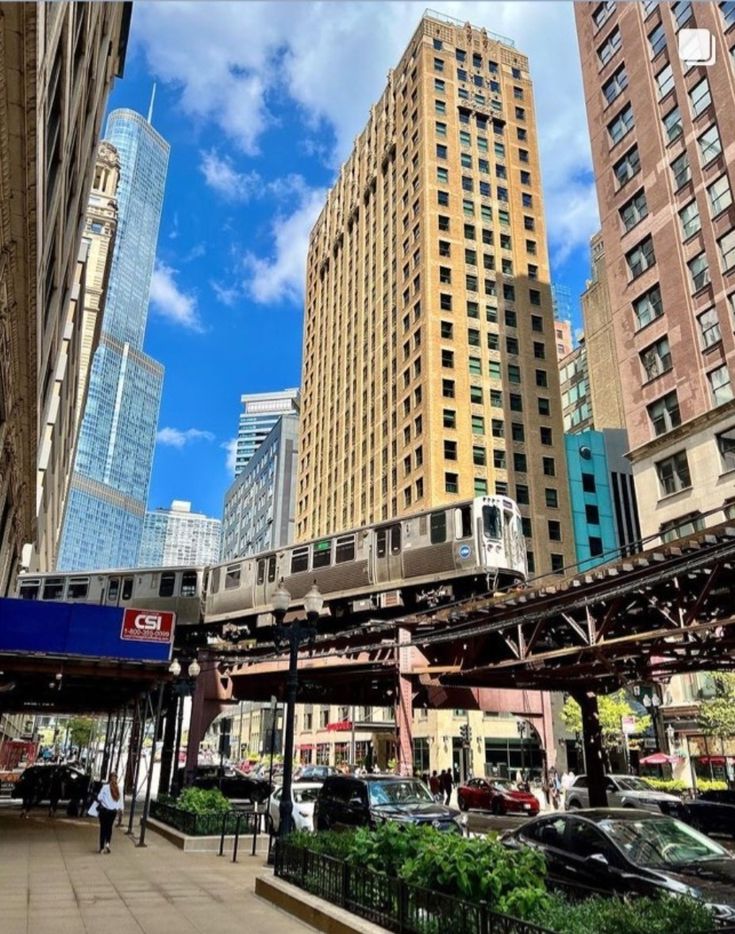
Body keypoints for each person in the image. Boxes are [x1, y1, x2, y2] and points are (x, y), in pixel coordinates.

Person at [96, 772, 124, 853]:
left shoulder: (105, 787)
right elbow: (120, 801)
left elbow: (99, 797)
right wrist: (121, 810)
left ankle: (101, 848)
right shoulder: (119, 789)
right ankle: (107, 844)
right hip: (113, 812)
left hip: (104, 811)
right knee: (109, 828)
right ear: (116, 779)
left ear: (109, 778)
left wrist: (105, 800)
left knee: (103, 829)